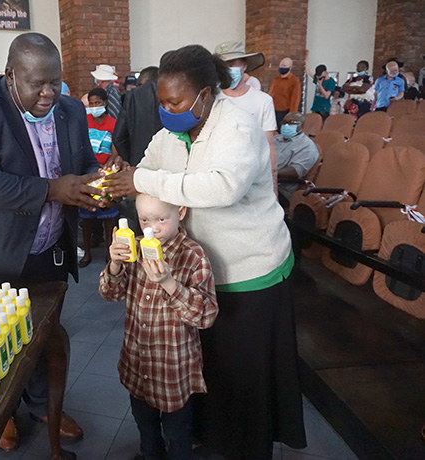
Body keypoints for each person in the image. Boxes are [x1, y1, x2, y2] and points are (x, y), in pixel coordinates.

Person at [103, 44, 307, 459]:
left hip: (250, 268)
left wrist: (143, 178)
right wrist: (117, 179)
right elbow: (145, 172)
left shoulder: (239, 128)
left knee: (242, 371)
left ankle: (245, 447)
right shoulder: (171, 134)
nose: (167, 108)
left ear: (206, 94)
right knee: (207, 363)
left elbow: (221, 187)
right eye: (161, 101)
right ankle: (206, 435)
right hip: (199, 266)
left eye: (176, 101)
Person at [0, 32, 102, 451]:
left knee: (43, 336)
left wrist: (94, 181)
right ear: (11, 75)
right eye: (37, 84)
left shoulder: (70, 109)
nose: (49, 93)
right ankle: (4, 415)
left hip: (50, 247)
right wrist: (54, 190)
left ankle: (43, 405)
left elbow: (83, 162)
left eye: (56, 82)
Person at [99, 193, 218, 460]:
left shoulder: (193, 256)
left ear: (181, 212)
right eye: (144, 220)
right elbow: (110, 294)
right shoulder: (135, 248)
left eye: (161, 219)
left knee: (178, 432)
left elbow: (206, 316)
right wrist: (116, 264)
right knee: (145, 425)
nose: (152, 228)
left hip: (172, 369)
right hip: (138, 362)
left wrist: (168, 282)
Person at [215, 40, 278, 193]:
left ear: (244, 65)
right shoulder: (211, 99)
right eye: (222, 66)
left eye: (231, 64)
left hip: (255, 176)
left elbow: (268, 145)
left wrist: (273, 186)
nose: (227, 70)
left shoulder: (263, 101)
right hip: (219, 175)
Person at [113, 65, 163, 232]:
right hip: (168, 174)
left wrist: (132, 160)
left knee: (139, 223)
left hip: (138, 173)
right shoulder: (173, 95)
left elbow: (118, 137)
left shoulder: (132, 97)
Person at [79, 87, 119, 267]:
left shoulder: (113, 123)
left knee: (108, 216)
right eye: (92, 103)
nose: (94, 107)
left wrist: (109, 167)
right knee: (86, 216)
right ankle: (87, 253)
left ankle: (109, 253)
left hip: (106, 173)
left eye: (98, 103)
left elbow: (115, 150)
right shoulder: (83, 122)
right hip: (87, 173)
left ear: (105, 103)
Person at [274, 112, 320, 206]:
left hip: (281, 190)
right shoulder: (275, 139)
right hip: (262, 182)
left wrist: (271, 172)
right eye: (284, 122)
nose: (286, 125)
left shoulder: (306, 146)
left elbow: (296, 171)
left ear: (301, 125)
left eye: (292, 123)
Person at [269, 57, 302, 129]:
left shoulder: (294, 81)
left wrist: (291, 116)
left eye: (284, 65)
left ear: (290, 68)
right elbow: (270, 94)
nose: (281, 67)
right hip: (273, 111)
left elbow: (295, 100)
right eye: (280, 65)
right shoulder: (275, 80)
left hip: (285, 112)